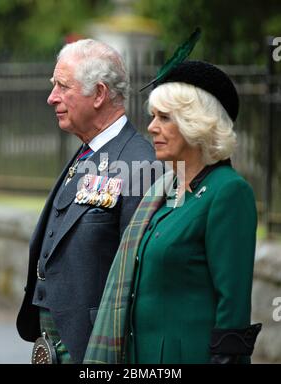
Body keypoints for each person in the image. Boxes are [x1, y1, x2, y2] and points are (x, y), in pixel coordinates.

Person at [83, 52, 262, 364]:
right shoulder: (166, 191)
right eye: (153, 116)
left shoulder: (229, 192)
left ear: (197, 124)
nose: (151, 127)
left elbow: (232, 308)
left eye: (164, 118)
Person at [16, 39, 156, 364]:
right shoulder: (87, 151)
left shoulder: (139, 163)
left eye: (63, 87)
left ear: (99, 94)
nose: (52, 98)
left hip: (96, 348)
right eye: (54, 86)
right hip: (53, 341)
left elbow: (139, 276)